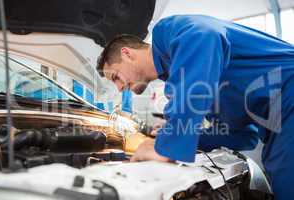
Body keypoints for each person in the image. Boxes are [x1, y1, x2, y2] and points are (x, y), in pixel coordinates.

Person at [96, 15, 294, 199]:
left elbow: (206, 33)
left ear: (127, 54)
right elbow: (244, 136)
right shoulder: (193, 78)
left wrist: (167, 145)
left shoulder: (167, 34)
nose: (120, 88)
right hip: (278, 122)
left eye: (115, 77)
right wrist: (179, 135)